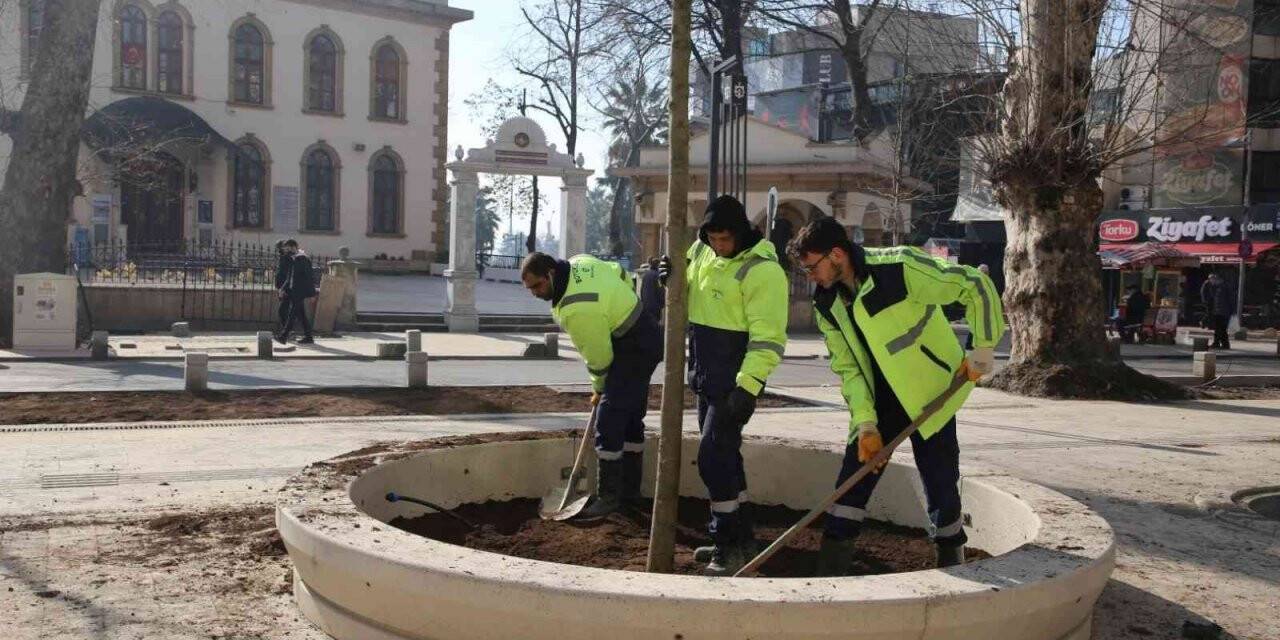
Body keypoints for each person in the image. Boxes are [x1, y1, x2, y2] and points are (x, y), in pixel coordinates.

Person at [787, 216, 1004, 573]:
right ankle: (834, 556)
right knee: (854, 475)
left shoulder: (900, 267)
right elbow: (849, 369)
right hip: (880, 400)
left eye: (813, 267)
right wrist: (866, 423)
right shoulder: (828, 304)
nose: (810, 276)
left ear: (837, 254)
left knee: (939, 478)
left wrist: (981, 348)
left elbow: (975, 285)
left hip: (930, 392)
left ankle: (951, 554)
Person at [656, 195, 789, 575]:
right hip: (706, 376)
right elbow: (685, 276)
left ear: (742, 233)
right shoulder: (700, 250)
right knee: (726, 457)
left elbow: (768, 339)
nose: (719, 245)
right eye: (713, 238)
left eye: (725, 239)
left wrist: (748, 387)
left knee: (713, 459)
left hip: (735, 384)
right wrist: (670, 272)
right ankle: (742, 537)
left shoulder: (763, 272)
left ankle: (726, 545)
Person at [520, 251, 663, 519]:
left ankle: (609, 497)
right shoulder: (580, 261)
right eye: (530, 289)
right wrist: (620, 305)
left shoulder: (575, 307)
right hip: (645, 333)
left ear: (550, 273)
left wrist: (599, 387)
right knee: (630, 416)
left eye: (538, 286)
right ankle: (630, 493)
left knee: (608, 419)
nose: (535, 293)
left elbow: (598, 357)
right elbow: (619, 272)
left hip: (633, 346)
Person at [277, 239, 317, 345]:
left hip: (299, 292)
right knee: (301, 315)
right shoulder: (293, 259)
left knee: (292, 314)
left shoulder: (303, 259)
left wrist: (312, 294)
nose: (286, 250)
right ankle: (309, 337)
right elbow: (289, 277)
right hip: (291, 290)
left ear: (294, 247)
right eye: (285, 249)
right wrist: (282, 289)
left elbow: (309, 277)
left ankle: (283, 336)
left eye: (287, 248)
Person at [1200, 273, 1234, 350]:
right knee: (1220, 329)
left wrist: (1231, 311)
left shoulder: (1224, 287)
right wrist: (1205, 284)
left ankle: (1219, 343)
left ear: (1218, 279)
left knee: (1220, 329)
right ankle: (1223, 344)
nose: (1211, 282)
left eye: (1213, 280)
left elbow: (1230, 299)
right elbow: (1205, 293)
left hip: (1223, 312)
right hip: (1218, 311)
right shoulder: (1216, 287)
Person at [273, 240, 292, 340]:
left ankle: (287, 333)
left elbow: (287, 275)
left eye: (280, 248)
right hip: (282, 287)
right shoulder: (283, 257)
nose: (279, 250)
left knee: (282, 311)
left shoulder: (288, 259)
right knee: (285, 310)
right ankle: (285, 332)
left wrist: (283, 288)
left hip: (286, 288)